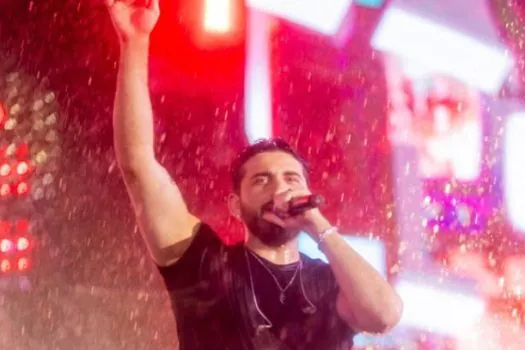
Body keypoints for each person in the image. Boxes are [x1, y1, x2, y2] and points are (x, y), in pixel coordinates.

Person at [106, 0, 403, 349]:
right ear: (235, 204)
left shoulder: (328, 283)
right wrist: (135, 43)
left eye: (291, 179)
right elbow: (139, 166)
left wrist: (319, 227)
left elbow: (384, 316)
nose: (279, 187)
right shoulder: (206, 265)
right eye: (261, 180)